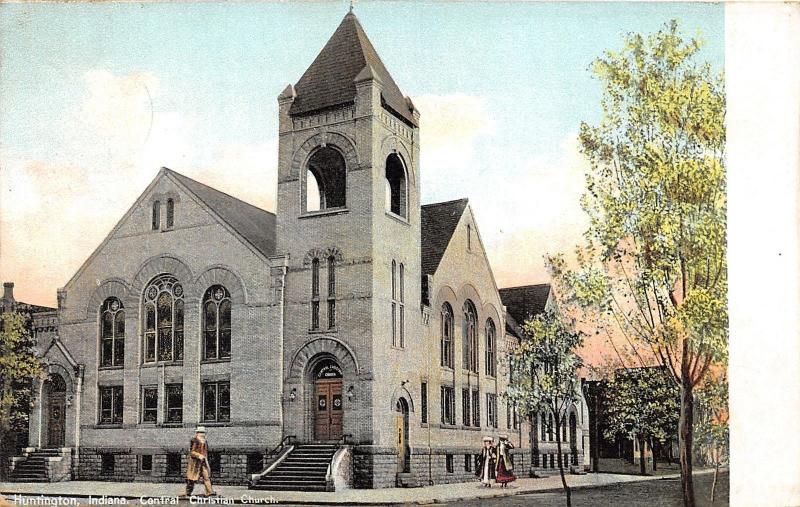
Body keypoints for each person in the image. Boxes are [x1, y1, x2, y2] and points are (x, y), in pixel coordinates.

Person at [185, 426, 216, 497]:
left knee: (206, 477)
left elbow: (206, 452)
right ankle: (188, 492)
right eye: (200, 433)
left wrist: (205, 458)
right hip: (195, 463)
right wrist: (199, 455)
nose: (202, 434)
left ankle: (209, 492)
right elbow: (191, 452)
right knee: (192, 478)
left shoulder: (205, 441)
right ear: (197, 433)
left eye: (203, 433)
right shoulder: (194, 440)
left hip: (203, 462)